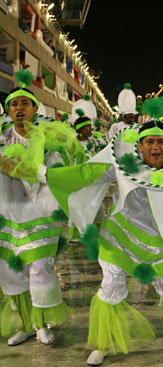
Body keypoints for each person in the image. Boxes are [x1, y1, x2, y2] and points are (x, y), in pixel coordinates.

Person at [47, 98, 163, 365]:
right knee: (110, 288)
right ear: (140, 145)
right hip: (120, 240)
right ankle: (103, 342)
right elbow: (86, 173)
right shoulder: (122, 166)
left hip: (160, 244)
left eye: (160, 141)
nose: (155, 146)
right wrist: (45, 175)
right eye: (149, 142)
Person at [0, 70, 76, 346]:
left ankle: (41, 324)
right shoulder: (2, 138)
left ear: (34, 109)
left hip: (41, 212)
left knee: (40, 269)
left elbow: (58, 172)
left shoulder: (50, 138)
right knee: (12, 270)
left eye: (24, 103)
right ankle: (27, 324)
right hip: (9, 212)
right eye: (13, 104)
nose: (19, 108)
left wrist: (29, 169)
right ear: (8, 111)